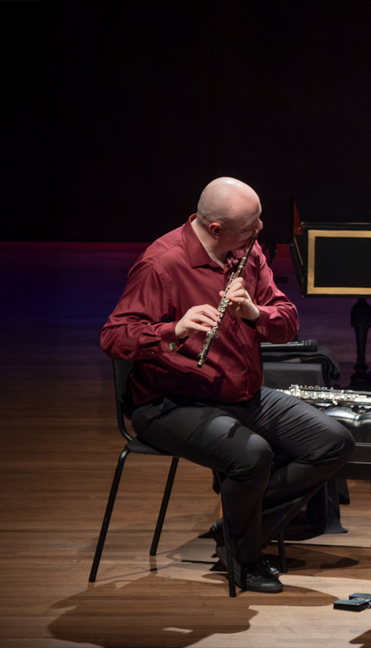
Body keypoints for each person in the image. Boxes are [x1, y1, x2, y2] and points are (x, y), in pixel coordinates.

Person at [100, 177, 355, 593]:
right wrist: (172, 330)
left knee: (333, 441)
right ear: (216, 229)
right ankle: (245, 556)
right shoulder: (161, 264)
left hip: (241, 394)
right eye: (250, 224)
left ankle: (235, 528)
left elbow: (287, 321)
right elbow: (113, 337)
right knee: (253, 455)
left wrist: (256, 313)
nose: (259, 230)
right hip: (171, 403)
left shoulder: (246, 252)